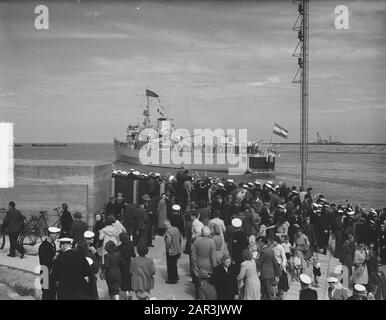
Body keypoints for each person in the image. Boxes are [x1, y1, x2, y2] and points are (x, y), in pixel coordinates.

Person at [191, 226, 217, 300]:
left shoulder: (197, 241)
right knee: (208, 283)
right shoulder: (212, 242)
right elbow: (213, 257)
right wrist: (214, 267)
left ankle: (198, 297)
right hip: (208, 265)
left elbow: (193, 255)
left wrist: (194, 265)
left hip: (199, 264)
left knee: (198, 283)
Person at [38, 226, 60, 300]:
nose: (56, 236)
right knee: (46, 294)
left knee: (52, 293)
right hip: (44, 273)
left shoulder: (52, 243)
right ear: (50, 234)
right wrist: (53, 258)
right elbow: (43, 262)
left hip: (51, 273)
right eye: (55, 234)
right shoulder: (43, 246)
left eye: (57, 234)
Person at [257, 236, 280, 300]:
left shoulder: (263, 251)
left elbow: (259, 263)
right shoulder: (271, 250)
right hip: (271, 273)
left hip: (265, 274)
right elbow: (275, 262)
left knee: (266, 293)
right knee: (269, 292)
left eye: (260, 242)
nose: (259, 244)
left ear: (263, 242)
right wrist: (277, 273)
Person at [117, 232, 136, 300]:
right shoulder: (131, 245)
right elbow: (133, 255)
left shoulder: (119, 247)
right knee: (128, 279)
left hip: (122, 265)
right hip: (128, 263)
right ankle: (129, 292)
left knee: (123, 280)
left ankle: (125, 294)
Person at [164, 219, 182, 284]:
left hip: (171, 251)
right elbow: (180, 238)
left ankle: (172, 279)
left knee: (171, 266)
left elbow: (168, 241)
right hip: (177, 250)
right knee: (175, 264)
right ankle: (176, 276)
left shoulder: (167, 231)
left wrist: (167, 248)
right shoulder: (176, 229)